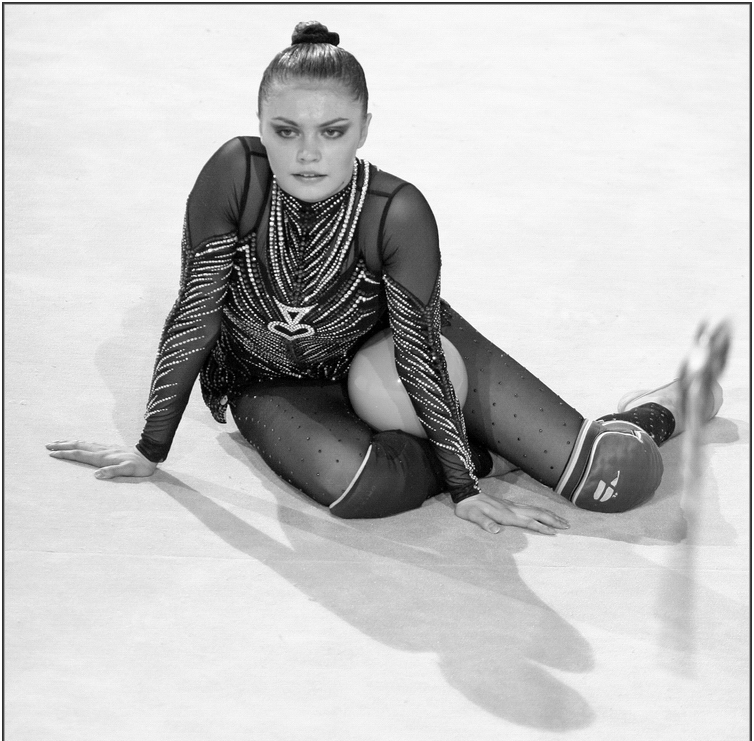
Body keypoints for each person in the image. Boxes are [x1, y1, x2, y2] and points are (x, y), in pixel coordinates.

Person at [47, 21, 725, 536]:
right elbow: (196, 313)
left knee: (614, 480)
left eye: (333, 131)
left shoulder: (397, 211)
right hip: (271, 378)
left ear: (364, 128)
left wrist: (463, 491)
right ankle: (487, 452)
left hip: (397, 347)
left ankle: (664, 405)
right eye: (286, 130)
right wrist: (151, 449)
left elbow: (421, 352)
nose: (308, 153)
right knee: (363, 490)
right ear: (259, 126)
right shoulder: (234, 176)